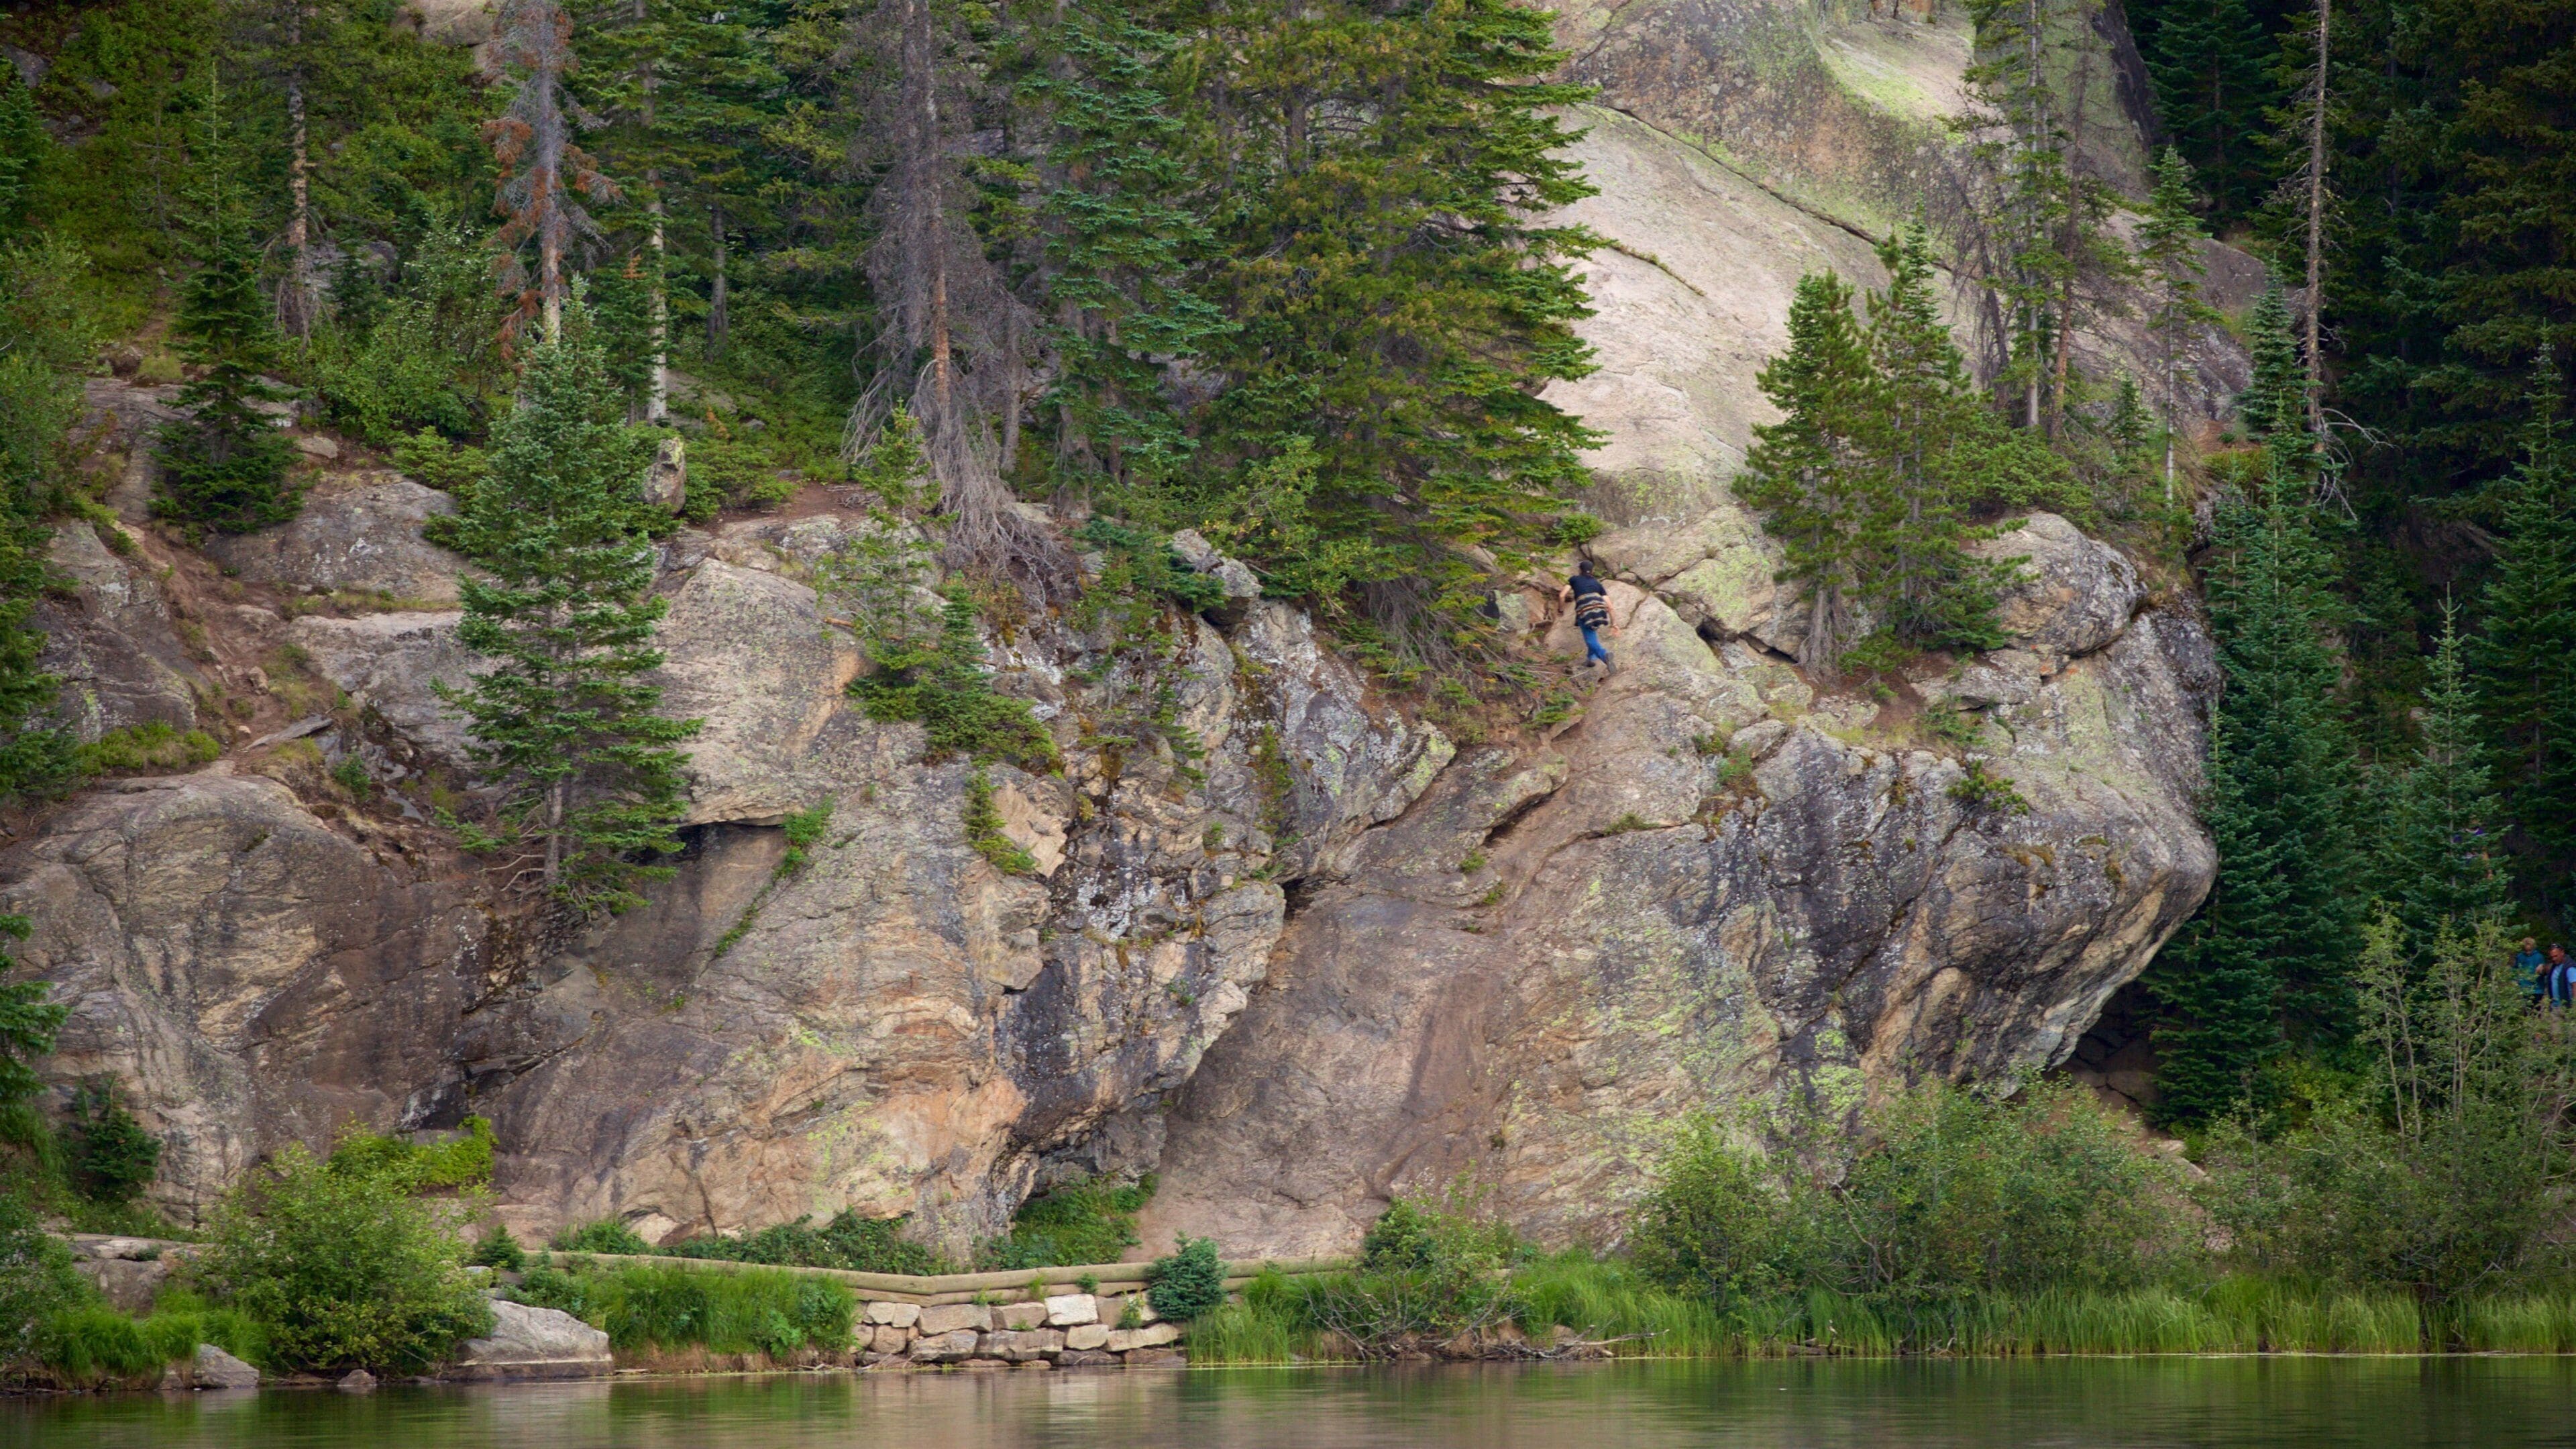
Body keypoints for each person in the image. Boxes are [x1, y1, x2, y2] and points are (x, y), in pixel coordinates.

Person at [1560, 559, 1619, 674]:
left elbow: (1562, 595)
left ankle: (1604, 654)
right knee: (1591, 634)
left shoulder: (1574, 579)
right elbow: (1610, 606)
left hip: (1585, 611)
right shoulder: (1597, 584)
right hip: (1600, 611)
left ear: (1580, 570)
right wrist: (1614, 624)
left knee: (1590, 639)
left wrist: (1560, 610)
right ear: (1592, 571)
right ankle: (1591, 659)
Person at [2517, 937, 2549, 1006]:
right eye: (2526, 951)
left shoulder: (2539, 957)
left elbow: (2544, 972)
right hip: (2524, 989)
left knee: (2536, 1009)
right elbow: (2515, 970)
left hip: (2537, 990)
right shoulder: (2520, 957)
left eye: (2530, 950)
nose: (2528, 953)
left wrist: (2542, 969)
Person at [2553, 946, 2575, 1010]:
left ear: (2562, 952)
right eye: (2552, 957)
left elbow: (2575, 986)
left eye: (2556, 956)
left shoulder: (2570, 968)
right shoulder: (2554, 966)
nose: (2554, 959)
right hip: (2555, 1007)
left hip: (2566, 1007)